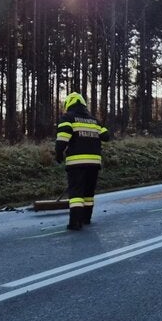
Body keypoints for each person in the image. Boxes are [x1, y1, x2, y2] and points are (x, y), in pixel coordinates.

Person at [55, 92, 111, 231]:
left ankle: (75, 223)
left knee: (76, 194)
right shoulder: (94, 120)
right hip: (94, 163)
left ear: (69, 103)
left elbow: (62, 138)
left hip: (76, 163)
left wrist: (58, 154)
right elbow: (106, 136)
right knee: (88, 193)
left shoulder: (68, 118)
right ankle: (86, 218)